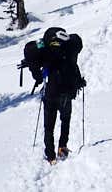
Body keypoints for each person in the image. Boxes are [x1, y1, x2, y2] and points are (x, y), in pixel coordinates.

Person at [24, 27, 85, 164]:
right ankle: (62, 147)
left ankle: (50, 155)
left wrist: (37, 74)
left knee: (49, 126)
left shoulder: (44, 48)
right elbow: (77, 41)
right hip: (67, 92)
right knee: (65, 120)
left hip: (50, 93)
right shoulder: (70, 47)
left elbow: (30, 50)